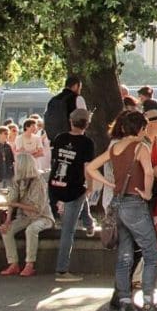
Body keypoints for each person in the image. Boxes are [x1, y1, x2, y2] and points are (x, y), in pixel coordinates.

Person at [85, 111, 157, 311]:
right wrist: (148, 192)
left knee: (125, 255)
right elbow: (149, 173)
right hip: (135, 202)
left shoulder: (115, 147)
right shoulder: (140, 147)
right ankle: (149, 303)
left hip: (118, 202)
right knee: (151, 253)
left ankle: (124, 301)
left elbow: (91, 167)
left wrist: (109, 184)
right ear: (140, 129)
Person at [48, 108, 96, 282]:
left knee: (80, 201)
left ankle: (90, 223)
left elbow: (55, 160)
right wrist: (90, 186)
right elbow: (87, 168)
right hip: (74, 187)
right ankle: (62, 270)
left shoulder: (60, 138)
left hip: (56, 184)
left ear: (71, 121)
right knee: (68, 230)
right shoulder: (87, 143)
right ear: (87, 124)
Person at [0, 153, 55, 277]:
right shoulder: (17, 181)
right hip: (25, 216)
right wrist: (7, 221)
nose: (14, 165)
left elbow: (37, 208)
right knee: (6, 230)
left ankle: (30, 264)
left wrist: (18, 205)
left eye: (16, 163)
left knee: (31, 230)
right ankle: (13, 263)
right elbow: (11, 201)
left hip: (43, 217)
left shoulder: (38, 182)